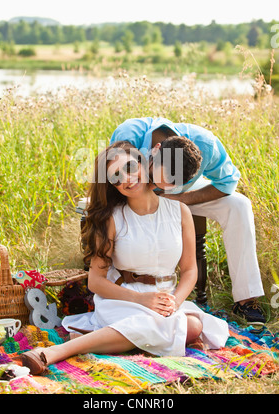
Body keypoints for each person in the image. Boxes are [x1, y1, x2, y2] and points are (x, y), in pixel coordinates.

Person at [20, 141, 229, 375]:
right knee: (172, 327)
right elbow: (96, 282)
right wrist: (141, 300)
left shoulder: (180, 212)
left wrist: (176, 301)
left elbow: (190, 270)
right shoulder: (112, 218)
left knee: (194, 325)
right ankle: (56, 353)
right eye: (116, 176)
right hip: (123, 299)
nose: (126, 179)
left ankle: (110, 336)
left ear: (143, 163)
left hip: (165, 301)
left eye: (129, 167)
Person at [110, 117, 266, 324]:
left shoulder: (206, 145)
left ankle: (246, 300)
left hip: (182, 193)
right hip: (136, 188)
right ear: (155, 150)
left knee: (240, 205)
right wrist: (151, 188)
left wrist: (181, 198)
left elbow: (228, 181)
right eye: (159, 180)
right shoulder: (129, 135)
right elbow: (113, 177)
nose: (162, 187)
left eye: (168, 184)